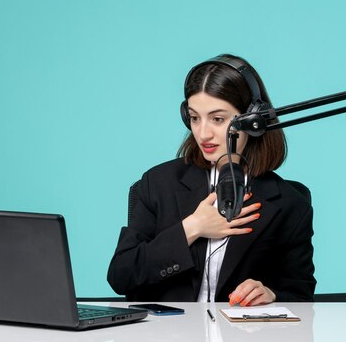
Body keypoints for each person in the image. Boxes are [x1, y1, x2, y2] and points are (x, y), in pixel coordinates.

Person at [107, 54, 315, 306]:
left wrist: (271, 295)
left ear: (253, 120)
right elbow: (121, 275)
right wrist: (191, 228)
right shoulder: (158, 182)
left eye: (217, 119)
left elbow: (301, 295)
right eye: (195, 118)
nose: (203, 133)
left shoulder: (290, 203)